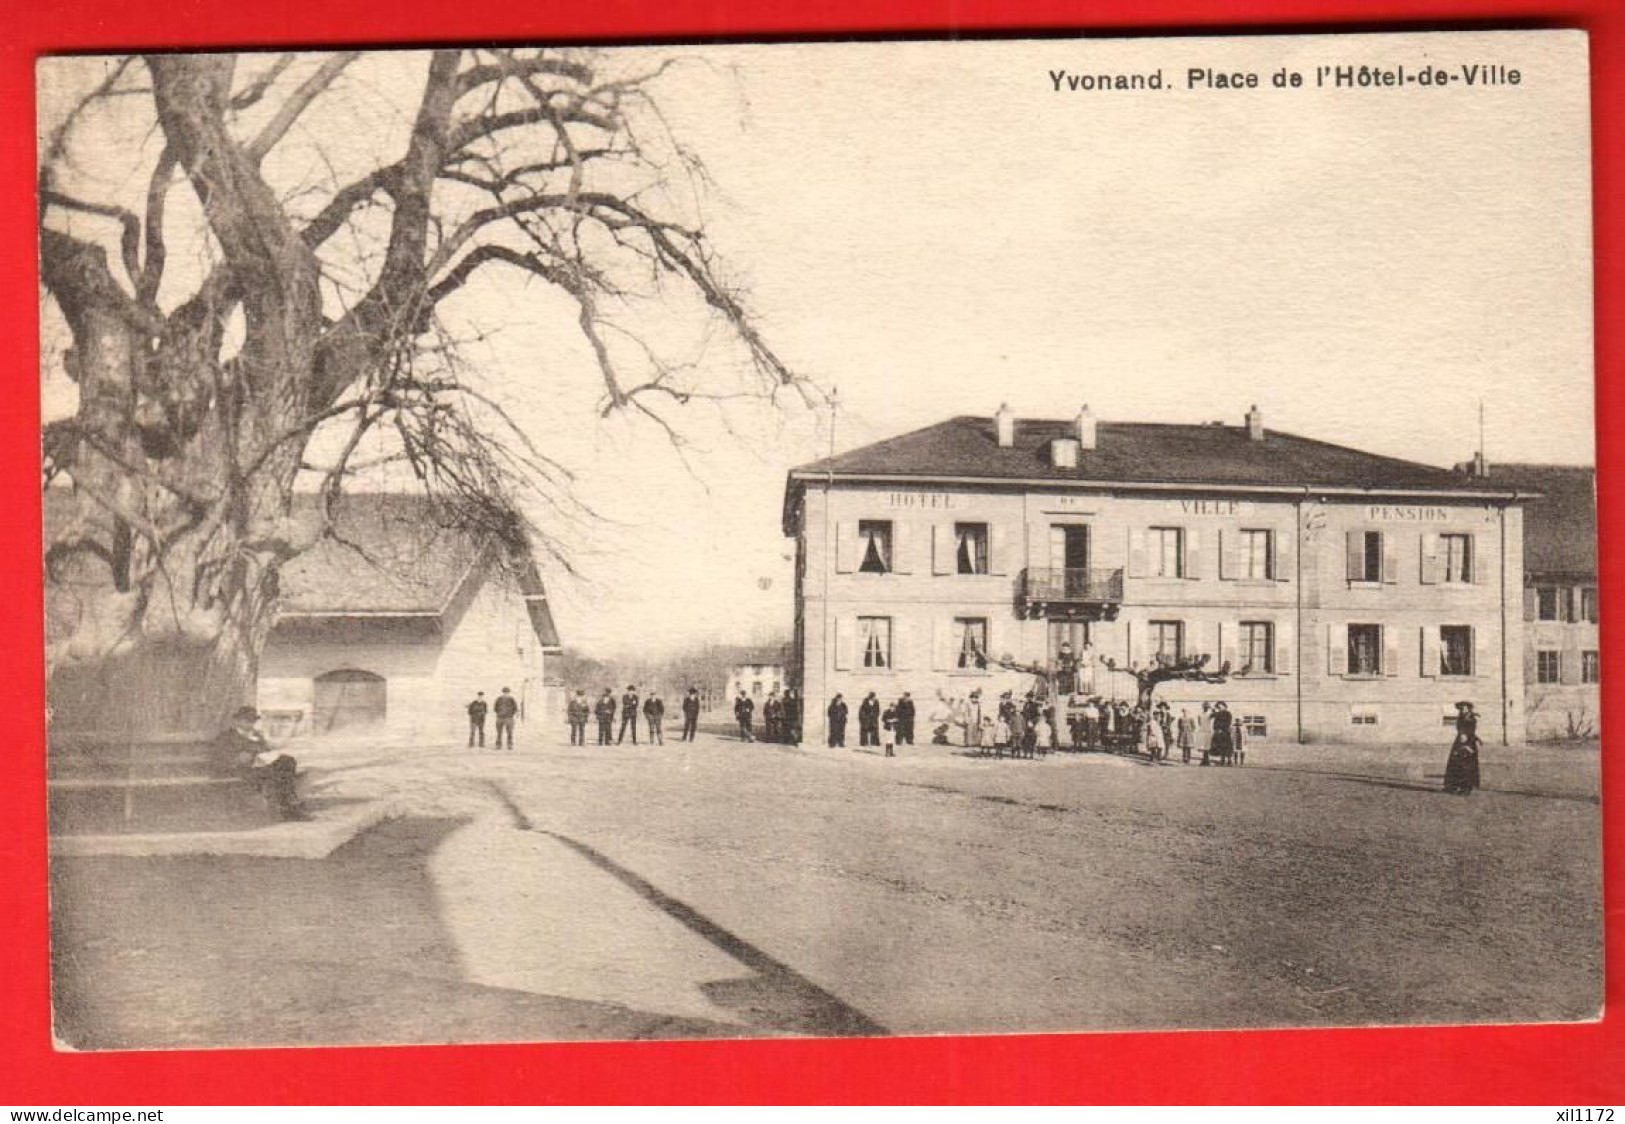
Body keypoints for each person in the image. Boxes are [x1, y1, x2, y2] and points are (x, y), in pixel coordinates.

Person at [214, 706, 309, 820]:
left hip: (259, 768)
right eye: (246, 720)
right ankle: (290, 806)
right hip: (240, 771)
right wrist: (239, 758)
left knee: (287, 761)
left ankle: (288, 805)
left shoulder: (257, 736)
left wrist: (267, 754)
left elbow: (266, 750)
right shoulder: (227, 737)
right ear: (237, 721)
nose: (250, 723)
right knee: (282, 771)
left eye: (252, 720)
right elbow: (221, 758)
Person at [1443, 701, 1483, 795]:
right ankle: (1453, 786)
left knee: (1466, 765)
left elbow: (1471, 730)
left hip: (1468, 741)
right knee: (1455, 764)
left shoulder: (1471, 717)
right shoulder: (1461, 716)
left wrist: (1469, 740)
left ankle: (1466, 788)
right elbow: (1460, 728)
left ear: (1469, 708)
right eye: (1461, 708)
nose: (1463, 709)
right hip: (1460, 741)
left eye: (1465, 707)